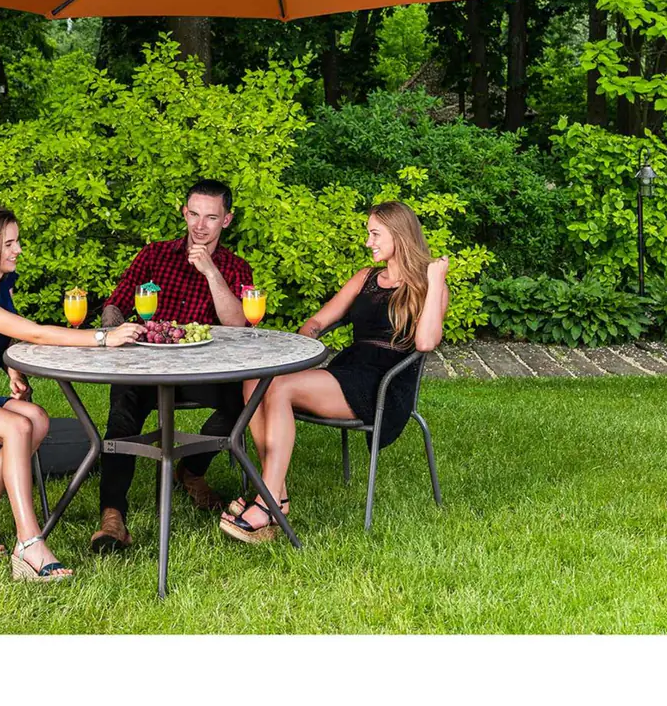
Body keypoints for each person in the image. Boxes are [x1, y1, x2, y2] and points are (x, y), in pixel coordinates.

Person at [0, 204, 141, 580]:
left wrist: (11, 368)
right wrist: (103, 337)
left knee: (37, 418)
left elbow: (0, 337)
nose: (18, 250)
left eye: (17, 241)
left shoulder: (1, 286)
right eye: (9, 244)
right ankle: (30, 543)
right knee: (16, 427)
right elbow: (33, 332)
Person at [219, 200, 449, 544]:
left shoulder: (428, 286)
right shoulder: (366, 278)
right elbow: (317, 321)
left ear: (399, 235)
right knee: (256, 379)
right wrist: (304, 345)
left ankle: (267, 504)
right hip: (348, 369)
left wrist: (435, 280)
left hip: (383, 384)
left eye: (375, 234)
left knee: (279, 389)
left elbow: (426, 342)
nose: (368, 242)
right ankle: (275, 493)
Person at [92, 179, 254, 552]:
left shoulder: (235, 267)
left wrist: (211, 272)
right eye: (194, 214)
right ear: (184, 213)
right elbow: (116, 304)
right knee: (122, 415)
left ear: (226, 220)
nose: (200, 225)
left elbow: (238, 325)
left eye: (211, 217)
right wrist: (114, 333)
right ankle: (112, 517)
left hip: (204, 371)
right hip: (147, 366)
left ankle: (191, 470)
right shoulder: (154, 256)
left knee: (245, 399)